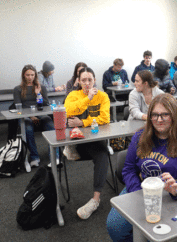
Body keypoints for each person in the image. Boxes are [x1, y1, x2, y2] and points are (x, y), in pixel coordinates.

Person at [107, 93, 177, 241]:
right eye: (154, 115)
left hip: (172, 194)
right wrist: (138, 192)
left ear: (175, 115)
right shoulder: (140, 136)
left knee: (158, 234)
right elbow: (129, 169)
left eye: (164, 115)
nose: (159, 120)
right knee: (115, 227)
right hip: (142, 190)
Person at [64, 67, 110, 220]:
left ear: (94, 80)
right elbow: (68, 111)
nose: (87, 83)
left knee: (103, 153)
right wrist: (87, 99)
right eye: (83, 80)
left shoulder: (103, 96)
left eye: (90, 80)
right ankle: (70, 147)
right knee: (70, 122)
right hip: (78, 140)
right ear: (78, 81)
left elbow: (105, 119)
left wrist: (83, 122)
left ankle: (95, 200)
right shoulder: (73, 95)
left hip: (94, 139)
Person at [13, 65, 54, 169]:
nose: (30, 77)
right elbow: (18, 107)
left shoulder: (41, 88)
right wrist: (31, 116)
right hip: (26, 117)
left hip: (41, 115)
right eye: (27, 75)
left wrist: (38, 94)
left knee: (50, 125)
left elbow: (46, 104)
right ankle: (34, 157)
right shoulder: (18, 89)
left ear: (35, 75)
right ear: (23, 75)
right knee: (28, 128)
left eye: (32, 74)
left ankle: (54, 156)